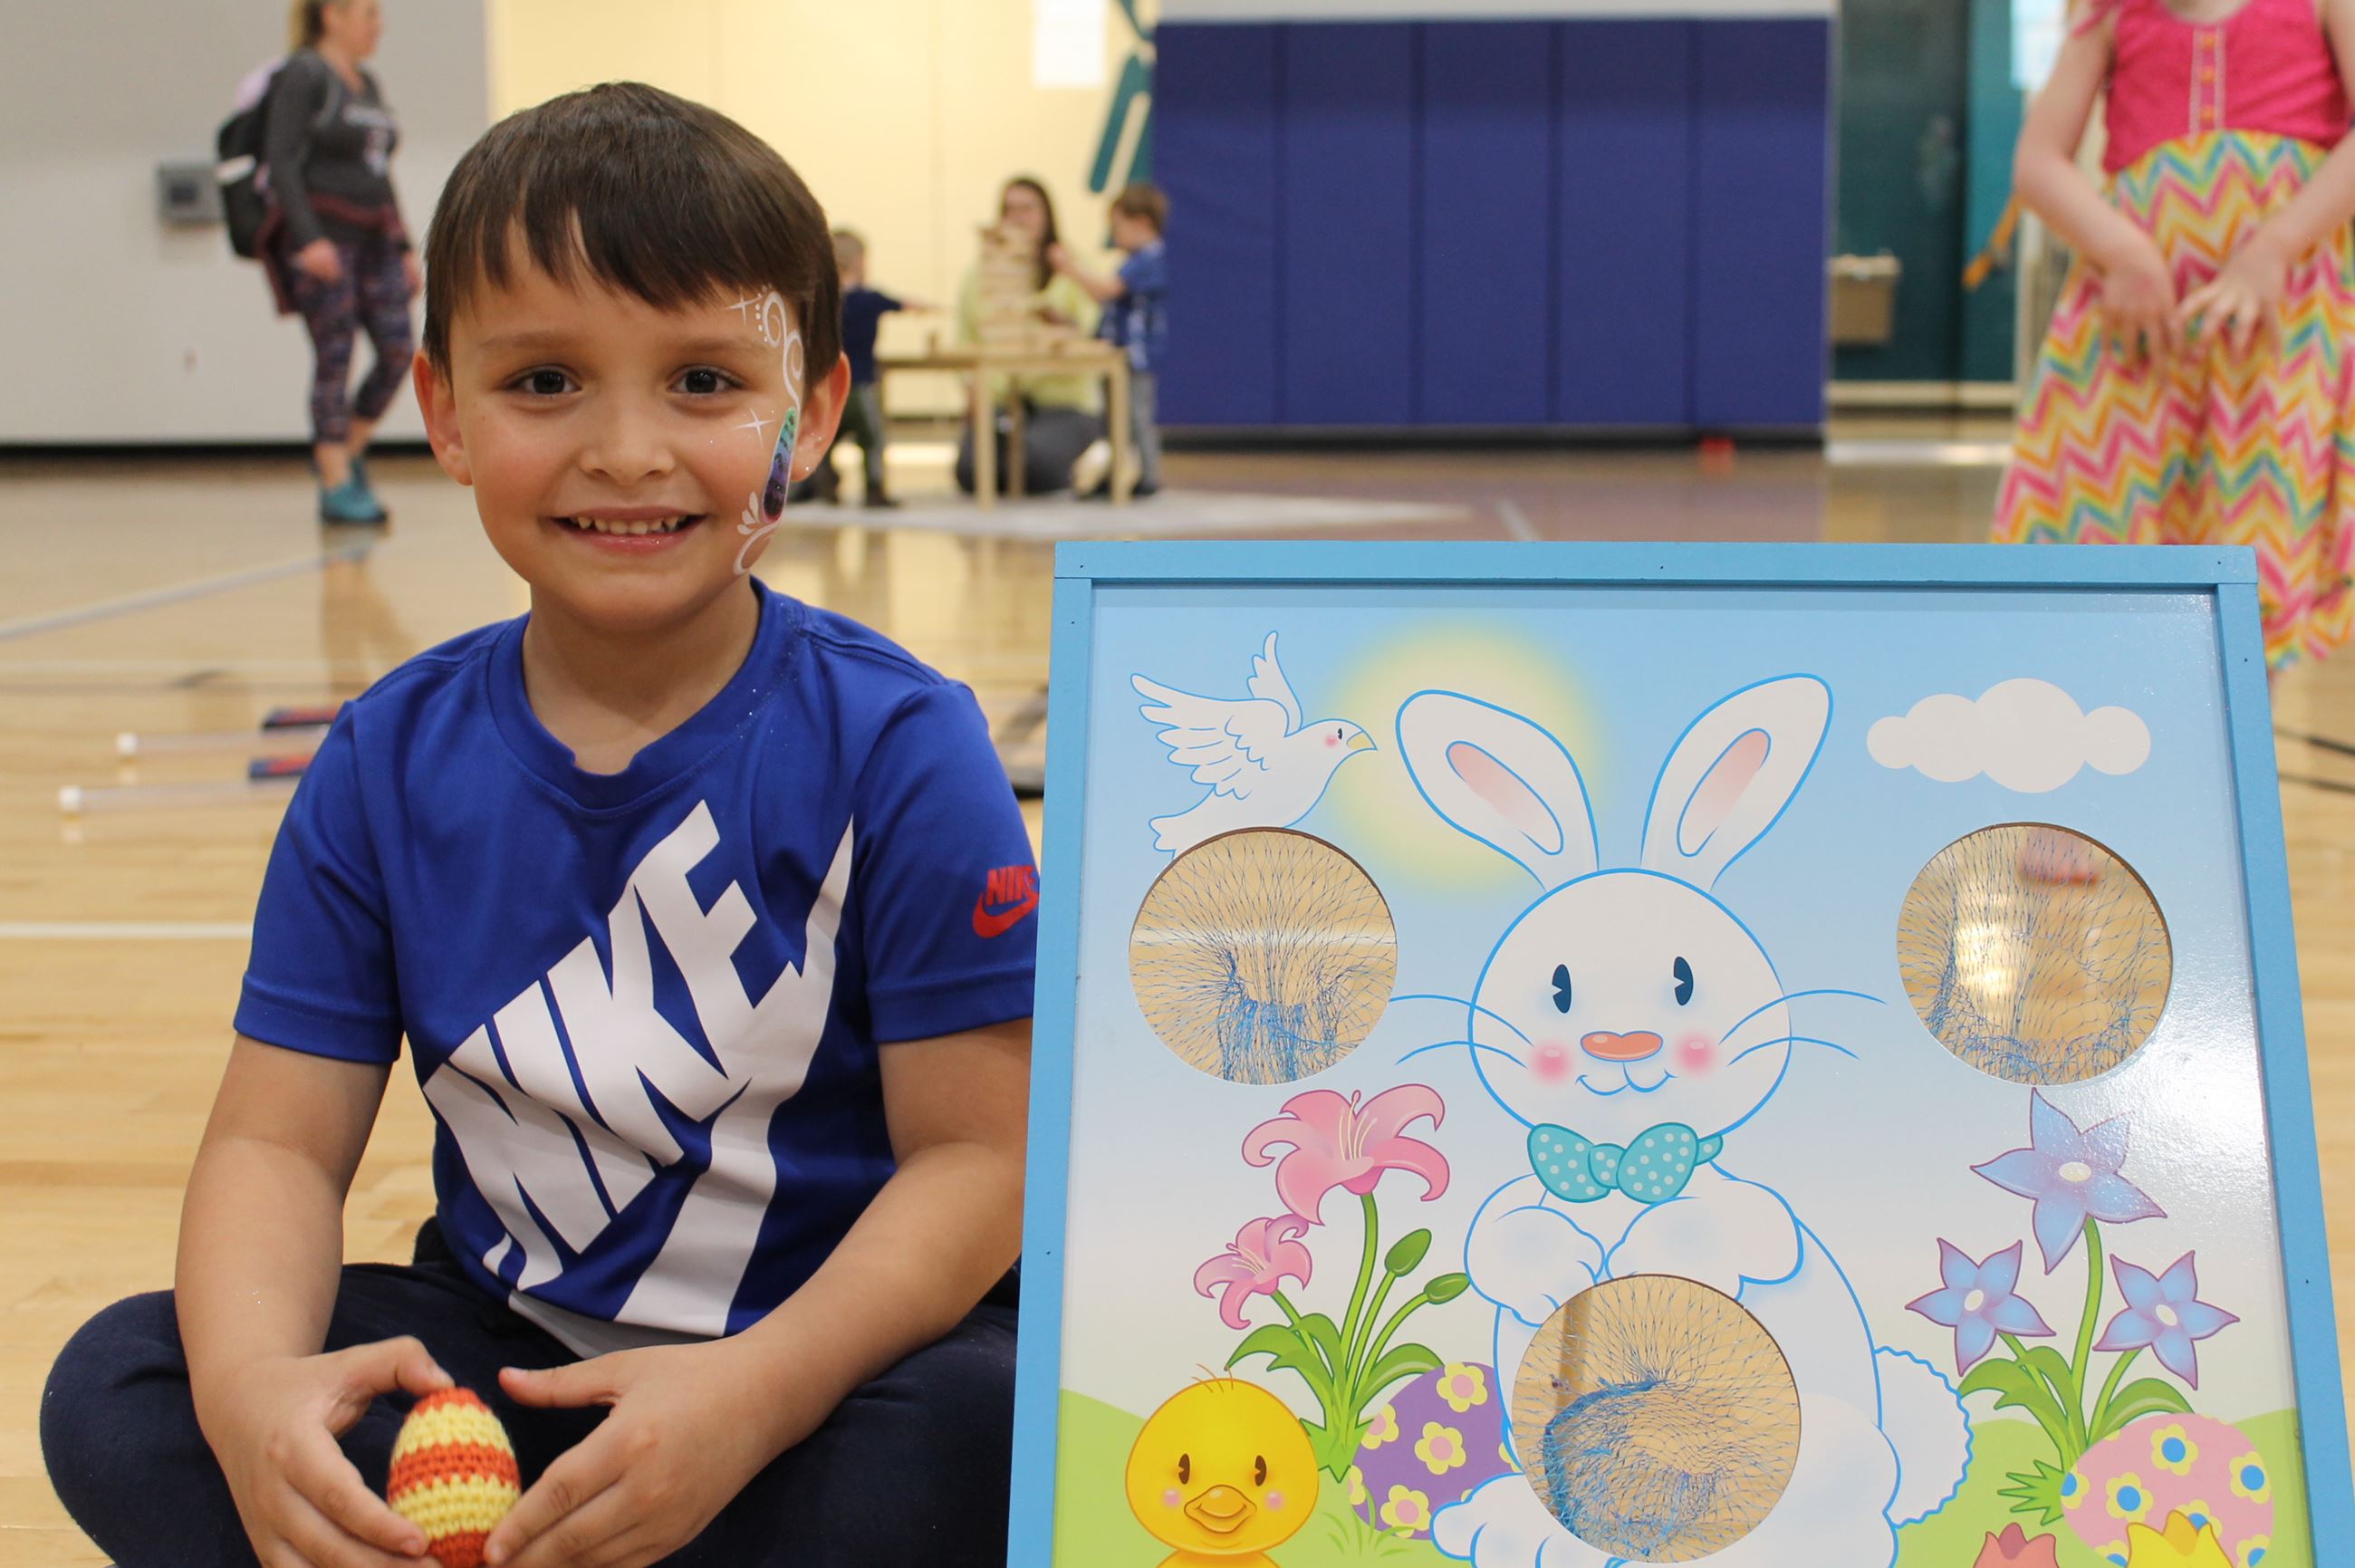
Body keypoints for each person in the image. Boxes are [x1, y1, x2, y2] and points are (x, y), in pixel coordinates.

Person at [41, 82, 1036, 1568]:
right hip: (505, 1359)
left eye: (704, 382)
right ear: (442, 410)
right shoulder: (384, 760)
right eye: (547, 382)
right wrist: (257, 1406)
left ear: (814, 413)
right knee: (121, 1386)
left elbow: (979, 1163)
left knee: (995, 1429)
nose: (626, 448)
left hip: (822, 1367)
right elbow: (278, 1152)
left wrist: (756, 1393)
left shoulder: (901, 742)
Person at [1995, 0, 2355, 673]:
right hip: (2137, 322)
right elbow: (2038, 162)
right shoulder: (2110, 15)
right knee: (2104, 508)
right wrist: (2123, 251)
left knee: (2257, 513)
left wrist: (2276, 246)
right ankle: (2112, 711)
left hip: (2278, 317)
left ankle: (2237, 741)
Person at [263, 0, 419, 525]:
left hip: (374, 241)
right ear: (332, 15)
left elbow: (379, 174)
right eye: (368, 13)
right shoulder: (303, 75)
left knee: (399, 351)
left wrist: (403, 246)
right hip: (327, 244)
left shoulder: (368, 84)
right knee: (335, 356)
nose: (379, 25)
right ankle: (334, 478)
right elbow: (280, 160)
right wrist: (308, 240)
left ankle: (345, 452)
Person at [954, 177, 1102, 495]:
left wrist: (1063, 321)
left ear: (1046, 215)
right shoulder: (978, 276)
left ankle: (1068, 463)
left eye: (1027, 208)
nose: (1018, 217)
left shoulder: (1074, 270)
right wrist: (972, 391)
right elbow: (965, 339)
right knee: (971, 472)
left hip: (1063, 402)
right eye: (1009, 210)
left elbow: (1095, 330)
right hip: (1003, 401)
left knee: (1033, 466)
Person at [1051, 181, 1168, 499]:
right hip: (1116, 354)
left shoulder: (1148, 261)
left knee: (1135, 417)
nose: (1114, 235)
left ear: (1141, 223)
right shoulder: (1133, 261)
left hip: (1135, 356)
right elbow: (1105, 298)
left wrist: (1070, 269)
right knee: (1113, 419)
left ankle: (1149, 475)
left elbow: (1107, 290)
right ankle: (1114, 473)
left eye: (1118, 227)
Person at [807, 230, 928, 508]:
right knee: (872, 439)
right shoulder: (871, 299)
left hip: (830, 386)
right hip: (861, 384)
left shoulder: (823, 304)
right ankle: (874, 490)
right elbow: (904, 304)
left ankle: (826, 484)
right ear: (860, 262)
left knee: (825, 438)